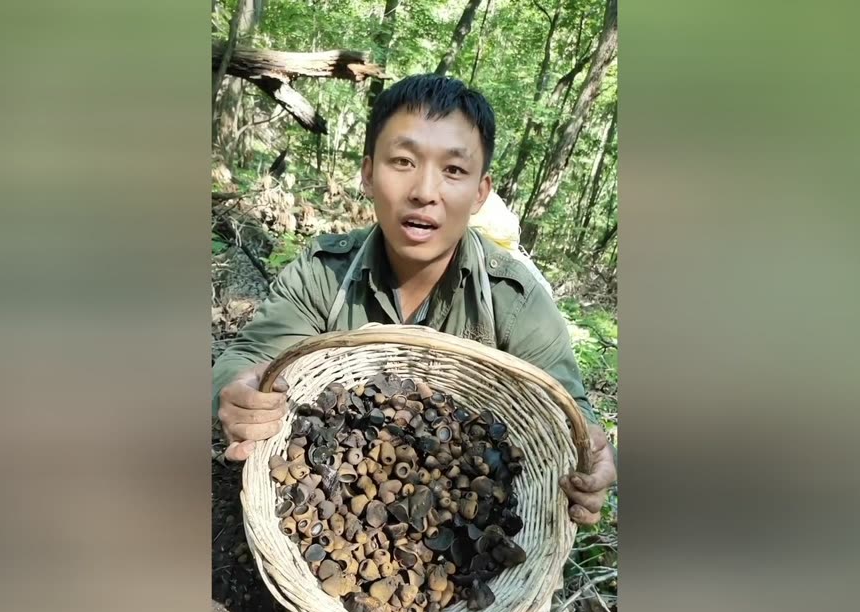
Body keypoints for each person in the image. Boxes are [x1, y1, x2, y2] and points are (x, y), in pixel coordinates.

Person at [213, 74, 615, 526]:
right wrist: (238, 390)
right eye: (403, 161)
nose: (425, 192)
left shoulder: (514, 302)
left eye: (454, 170)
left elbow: (571, 414)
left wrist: (594, 456)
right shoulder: (324, 272)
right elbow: (248, 357)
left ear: (481, 192)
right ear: (368, 174)